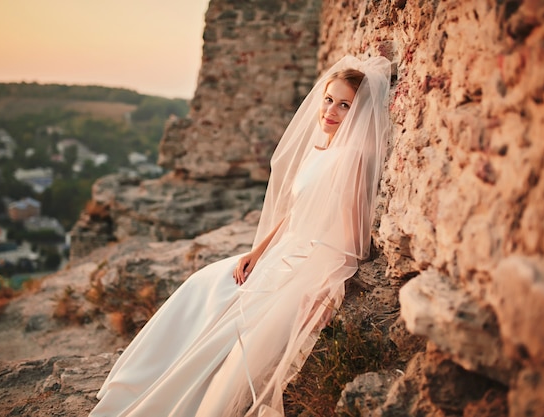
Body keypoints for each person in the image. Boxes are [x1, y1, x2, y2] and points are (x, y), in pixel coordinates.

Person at [89, 54, 391, 417]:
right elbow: (294, 213)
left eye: (345, 105)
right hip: (283, 250)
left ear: (359, 113)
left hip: (309, 261)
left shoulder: (352, 158)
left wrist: (322, 285)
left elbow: (349, 234)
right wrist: (257, 252)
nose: (331, 111)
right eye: (329, 99)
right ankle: (142, 380)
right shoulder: (321, 149)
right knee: (204, 285)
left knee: (231, 331)